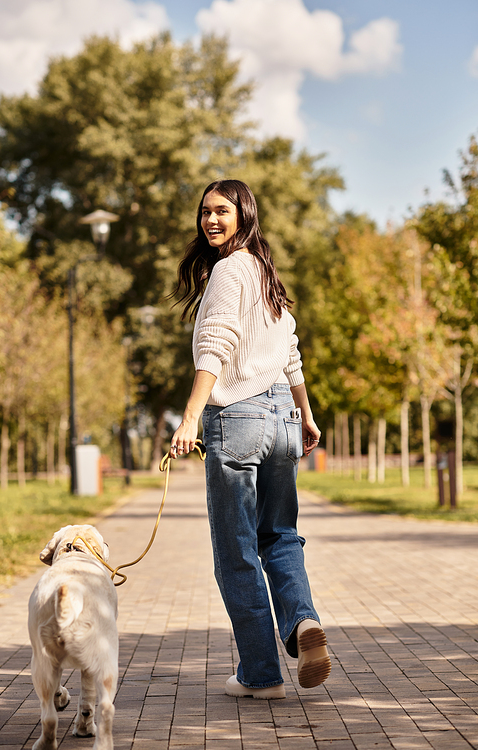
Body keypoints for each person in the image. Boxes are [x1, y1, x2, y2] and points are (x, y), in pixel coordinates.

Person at [169, 179, 331, 699]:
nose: (211, 220)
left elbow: (215, 345)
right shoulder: (266, 274)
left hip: (237, 418)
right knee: (280, 535)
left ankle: (261, 675)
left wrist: (191, 415)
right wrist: (305, 414)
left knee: (236, 550)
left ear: (244, 215)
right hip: (283, 416)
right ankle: (303, 623)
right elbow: (291, 355)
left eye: (222, 210)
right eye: (205, 212)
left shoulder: (228, 272)